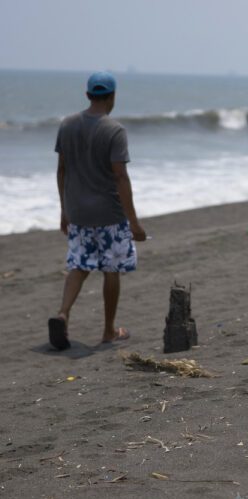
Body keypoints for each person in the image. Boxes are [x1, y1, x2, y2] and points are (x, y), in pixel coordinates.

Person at [49, 71, 146, 350]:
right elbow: (120, 177)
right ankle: (107, 331)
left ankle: (63, 313)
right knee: (110, 269)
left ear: (88, 94)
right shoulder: (114, 130)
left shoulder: (67, 125)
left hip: (77, 211)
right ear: (113, 96)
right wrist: (134, 223)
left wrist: (64, 210)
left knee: (79, 265)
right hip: (109, 215)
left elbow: (62, 170)